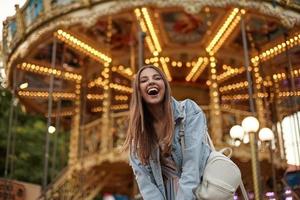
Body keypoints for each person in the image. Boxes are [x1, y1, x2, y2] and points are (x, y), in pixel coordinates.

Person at [123, 65, 211, 200]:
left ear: (164, 85)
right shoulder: (138, 137)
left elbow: (192, 164)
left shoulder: (188, 111)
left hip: (196, 191)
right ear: (139, 91)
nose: (151, 82)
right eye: (144, 80)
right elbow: (146, 184)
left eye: (157, 78)